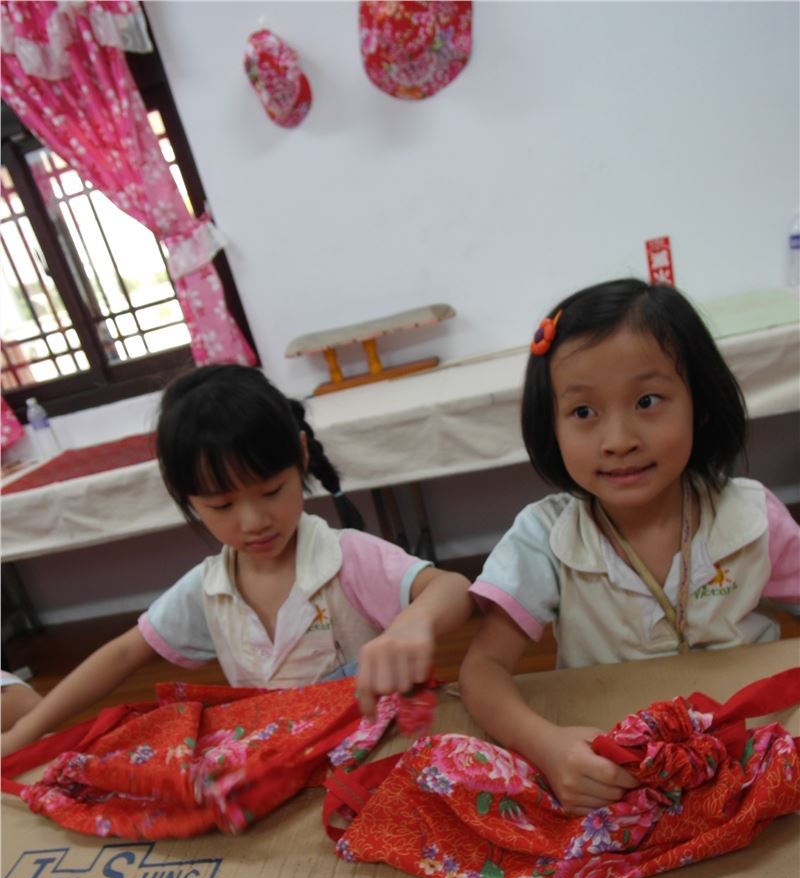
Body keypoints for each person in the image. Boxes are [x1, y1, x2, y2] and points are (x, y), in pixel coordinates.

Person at [2, 365, 472, 755]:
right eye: (222, 505)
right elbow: (123, 653)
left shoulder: (344, 557)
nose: (253, 522)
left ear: (301, 457)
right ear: (187, 499)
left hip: (377, 759)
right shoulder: (210, 589)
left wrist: (414, 623)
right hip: (279, 773)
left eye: (271, 491)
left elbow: (451, 587)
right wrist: (21, 734)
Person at [459, 278, 800, 815]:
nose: (618, 440)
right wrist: (547, 745)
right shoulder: (546, 538)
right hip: (616, 776)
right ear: (551, 427)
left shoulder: (751, 518)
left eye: (647, 401)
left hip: (748, 757)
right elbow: (481, 671)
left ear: (700, 404)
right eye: (583, 412)